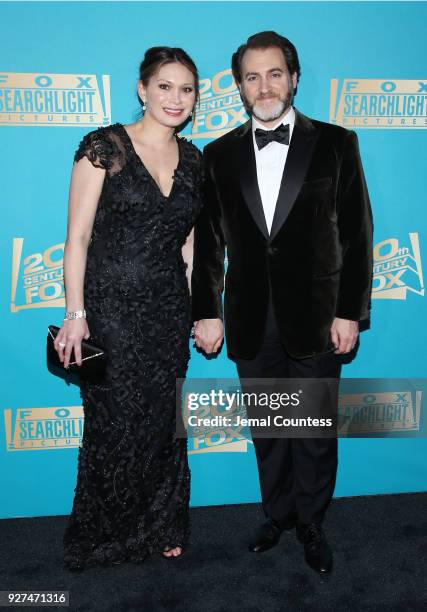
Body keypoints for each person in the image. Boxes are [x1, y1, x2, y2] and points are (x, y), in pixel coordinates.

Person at [192, 31, 373, 574]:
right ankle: (278, 514)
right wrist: (206, 310)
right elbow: (209, 241)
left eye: (274, 73)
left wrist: (350, 312)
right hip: (251, 318)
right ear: (240, 87)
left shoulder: (338, 143)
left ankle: (312, 523)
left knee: (313, 430)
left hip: (319, 317)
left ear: (294, 78)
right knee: (269, 430)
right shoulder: (218, 153)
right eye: (252, 76)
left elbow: (358, 236)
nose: (264, 86)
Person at [54, 46, 203, 569]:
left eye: (186, 88)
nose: (175, 98)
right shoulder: (105, 147)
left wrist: (202, 308)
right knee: (114, 424)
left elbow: (188, 245)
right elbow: (76, 237)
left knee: (164, 425)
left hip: (168, 310)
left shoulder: (195, 158)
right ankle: (103, 536)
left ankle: (161, 524)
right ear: (143, 89)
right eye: (165, 86)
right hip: (111, 307)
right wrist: (76, 314)